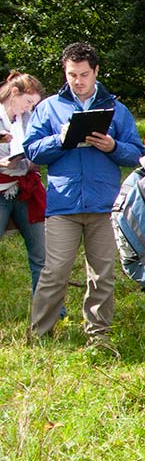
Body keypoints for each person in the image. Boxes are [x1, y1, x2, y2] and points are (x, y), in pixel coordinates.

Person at [23, 43, 145, 351]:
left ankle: (98, 336)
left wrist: (112, 146)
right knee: (54, 272)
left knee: (101, 275)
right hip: (63, 203)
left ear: (96, 72)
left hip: (104, 204)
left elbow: (138, 153)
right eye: (71, 74)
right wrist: (60, 139)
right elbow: (32, 150)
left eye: (84, 74)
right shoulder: (49, 107)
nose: (77, 81)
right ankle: (40, 335)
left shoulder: (116, 109)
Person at [0, 71, 47, 295]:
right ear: (14, 93)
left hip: (26, 190)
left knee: (42, 256)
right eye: (28, 102)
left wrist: (29, 160)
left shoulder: (28, 119)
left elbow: (35, 153)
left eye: (33, 105)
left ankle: (51, 315)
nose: (29, 108)